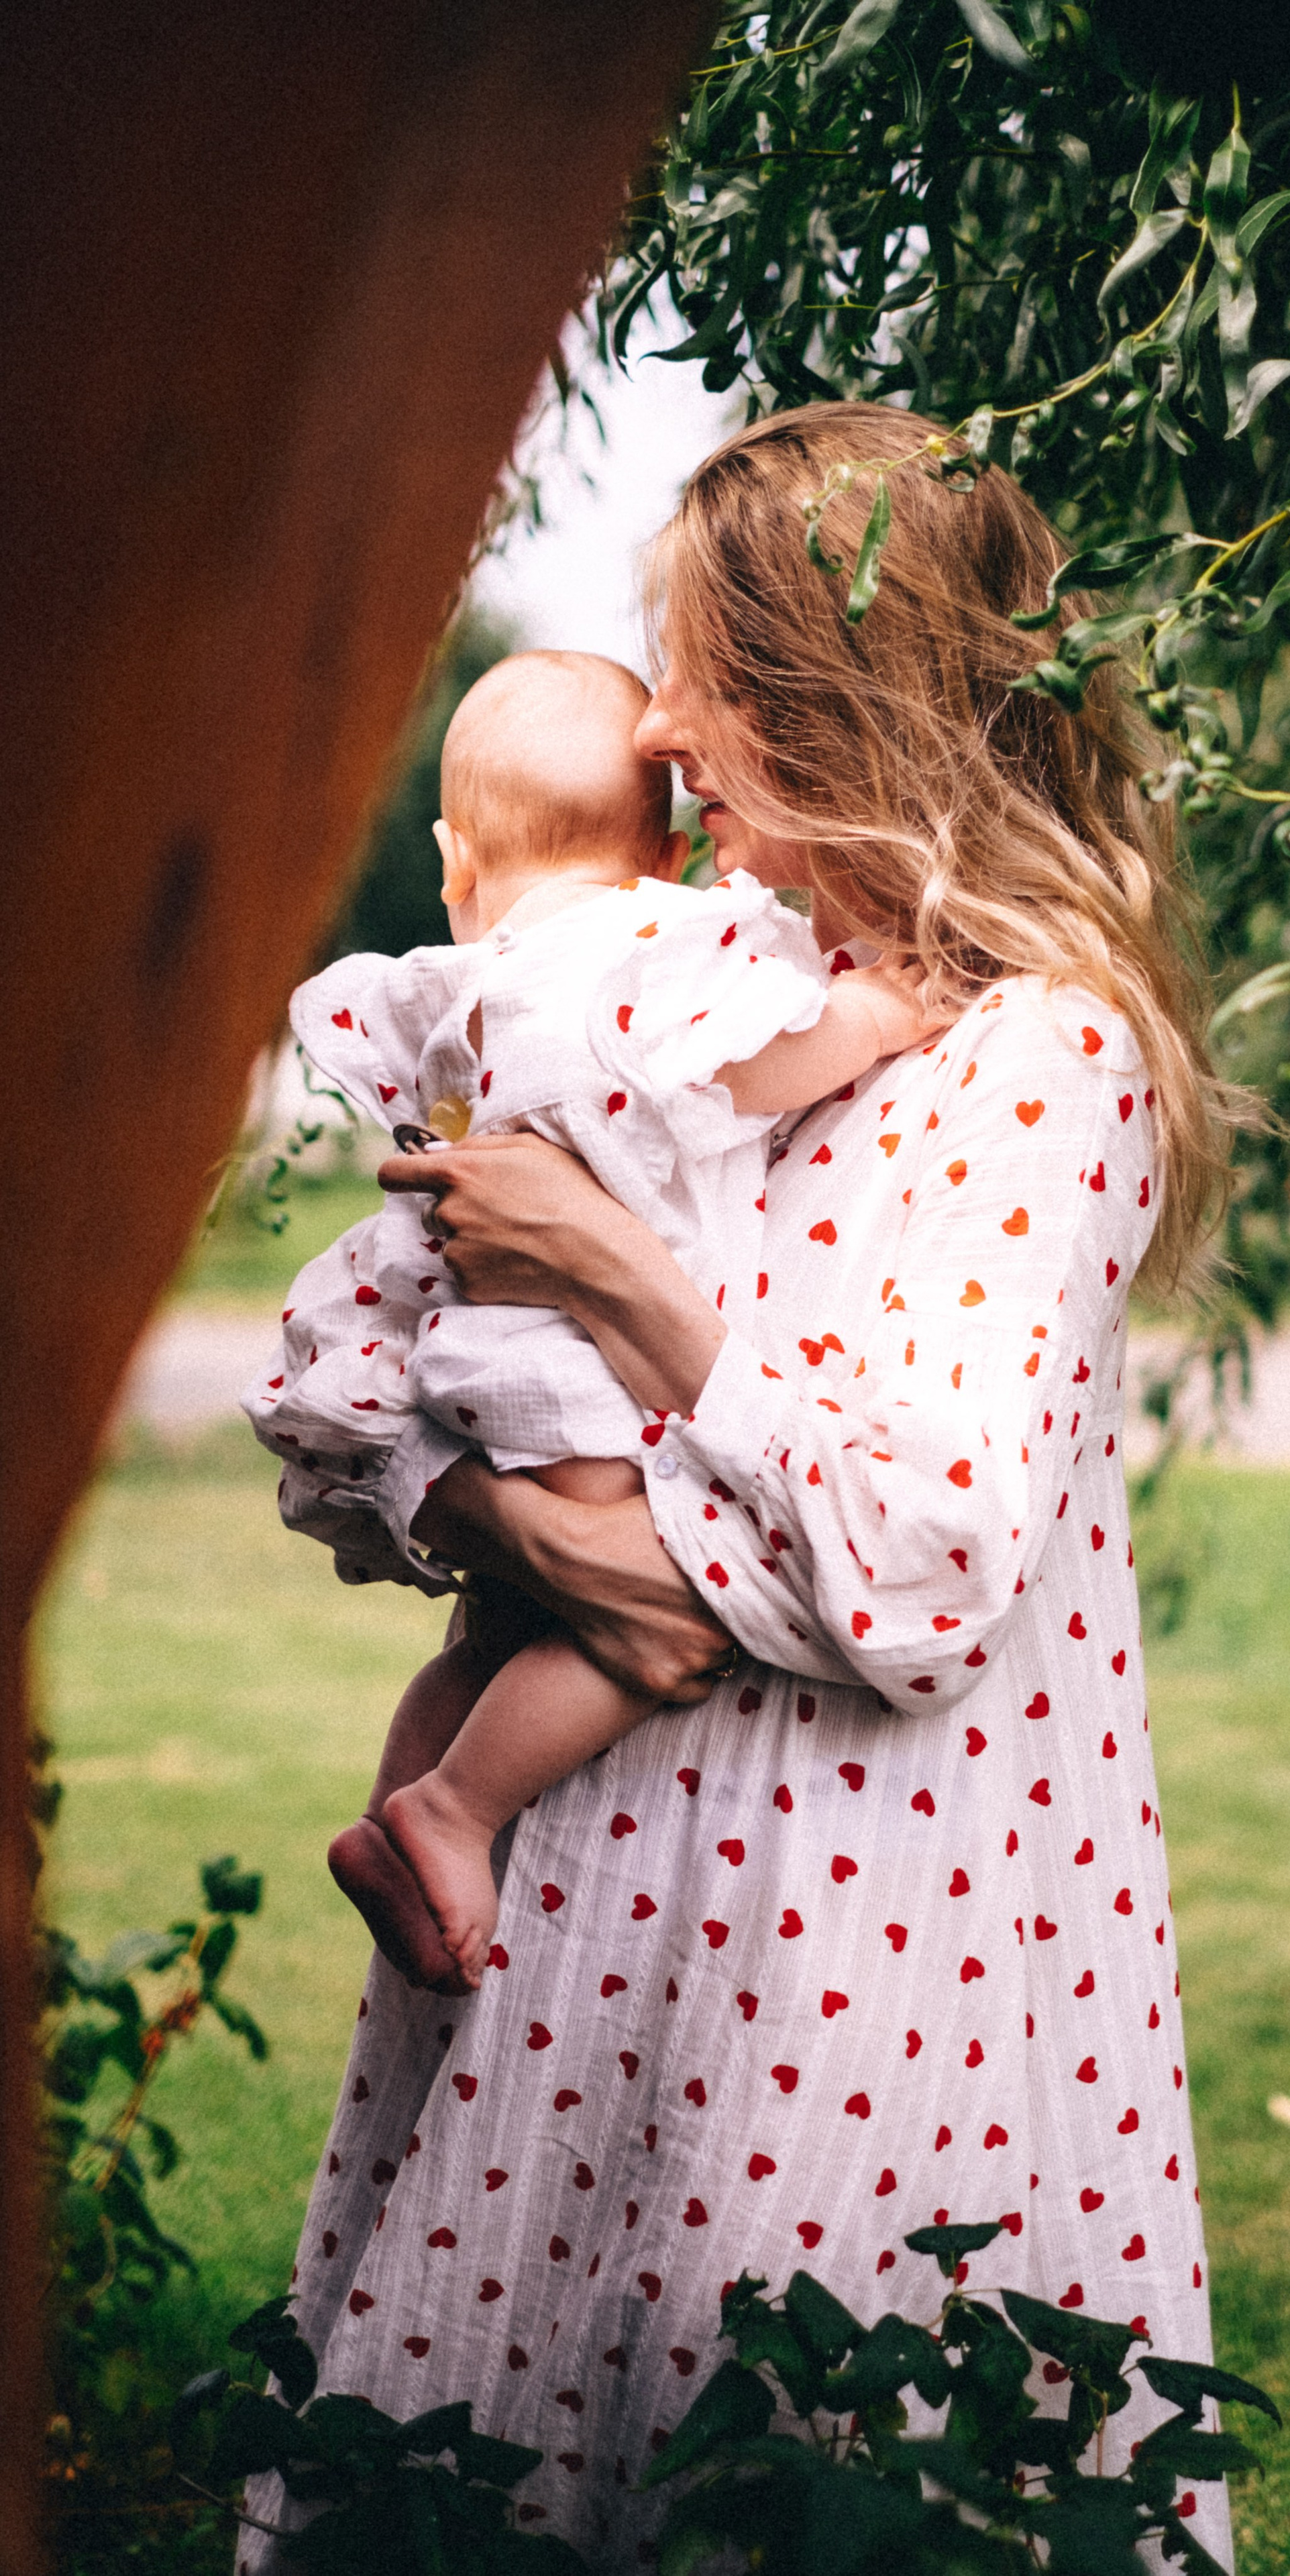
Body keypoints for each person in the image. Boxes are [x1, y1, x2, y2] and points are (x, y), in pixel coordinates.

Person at [241, 402, 1236, 2573]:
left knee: (802, 2486)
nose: (663, 723)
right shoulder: (716, 994)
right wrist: (510, 1522)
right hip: (572, 1975)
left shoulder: (1043, 1058)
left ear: (831, 696)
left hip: (857, 1987)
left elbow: (913, 1562)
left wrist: (625, 1293)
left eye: (702, 665)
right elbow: (385, 1396)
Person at [244, 649, 947, 1993]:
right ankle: (451, 1817)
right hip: (576, 1369)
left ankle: (404, 1819)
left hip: (474, 1354)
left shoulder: (458, 991)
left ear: (456, 857)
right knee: (634, 1618)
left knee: (499, 1628)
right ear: (671, 850)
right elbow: (749, 1067)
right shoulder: (644, 963)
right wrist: (871, 1010)